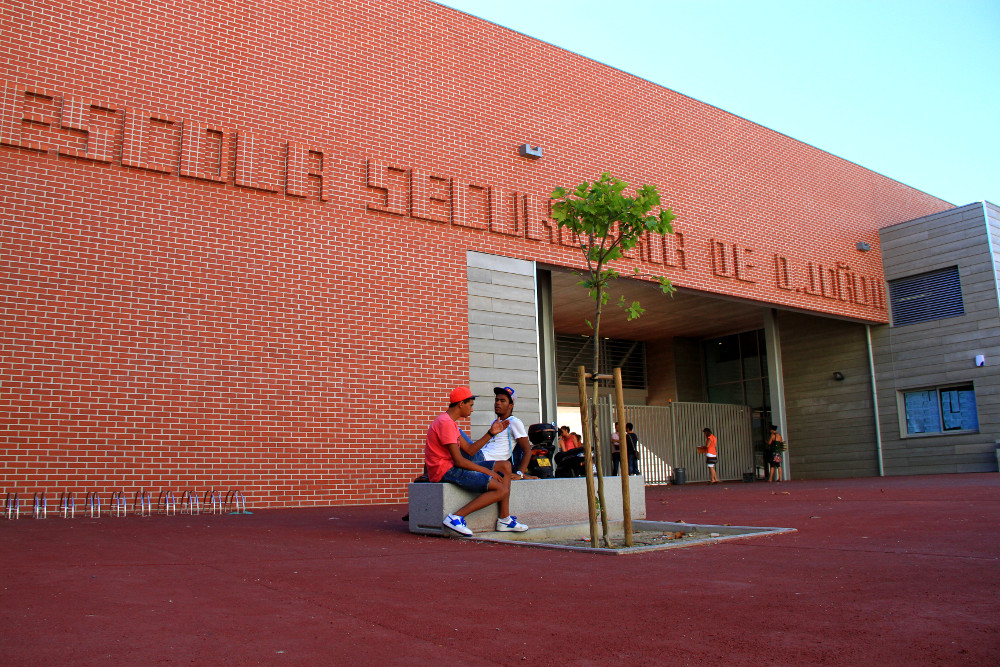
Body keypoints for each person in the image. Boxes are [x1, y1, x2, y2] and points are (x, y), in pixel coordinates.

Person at [427, 386, 529, 536]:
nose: (472, 410)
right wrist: (488, 472)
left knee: (505, 465)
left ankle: (504, 520)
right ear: (461, 404)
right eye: (470, 405)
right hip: (447, 470)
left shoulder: (449, 422)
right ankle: (456, 517)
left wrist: (491, 433)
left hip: (450, 467)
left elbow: (469, 450)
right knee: (502, 490)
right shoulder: (446, 423)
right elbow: (459, 461)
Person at [465, 386, 535, 479]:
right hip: (481, 456)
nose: (498, 403)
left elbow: (527, 450)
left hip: (487, 459)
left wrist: (520, 474)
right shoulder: (496, 422)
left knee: (458, 433)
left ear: (511, 405)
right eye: (496, 400)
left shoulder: (514, 422)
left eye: (502, 401)